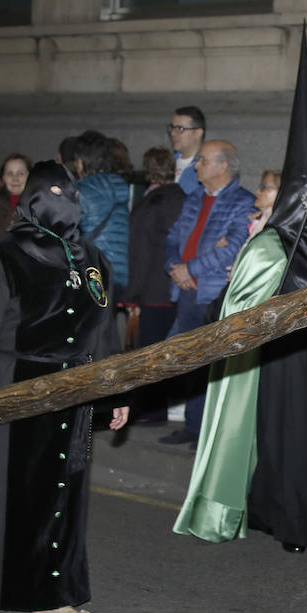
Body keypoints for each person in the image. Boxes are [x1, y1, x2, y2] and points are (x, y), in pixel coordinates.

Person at [175, 32, 307, 550]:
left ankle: (306, 518)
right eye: (300, 196)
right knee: (278, 441)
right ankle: (279, 516)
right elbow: (241, 304)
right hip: (274, 366)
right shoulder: (268, 247)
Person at [0, 161, 129, 613]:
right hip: (15, 385)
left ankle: (54, 586)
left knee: (61, 490)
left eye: (70, 193)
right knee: (14, 493)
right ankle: (28, 590)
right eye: (52, 192)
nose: (63, 201)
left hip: (73, 390)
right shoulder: (7, 255)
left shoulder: (95, 260)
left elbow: (103, 332)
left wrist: (116, 391)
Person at [161, 139, 254, 445]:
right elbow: (173, 236)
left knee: (214, 363)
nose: (196, 165)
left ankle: (211, 433)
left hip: (213, 293)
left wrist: (192, 269)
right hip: (187, 290)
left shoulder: (242, 202)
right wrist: (176, 266)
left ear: (223, 165)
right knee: (190, 359)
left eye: (203, 159)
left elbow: (235, 246)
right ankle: (193, 425)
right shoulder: (194, 197)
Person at [124, 147, 185, 422]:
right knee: (165, 351)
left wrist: (131, 294)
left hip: (151, 289)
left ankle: (151, 410)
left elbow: (140, 253)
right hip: (176, 287)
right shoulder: (186, 199)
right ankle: (160, 407)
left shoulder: (149, 205)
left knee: (149, 351)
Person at [74, 131, 130, 294]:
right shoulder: (119, 185)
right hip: (117, 274)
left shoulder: (82, 190)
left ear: (81, 161)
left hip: (91, 272)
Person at [167, 106, 205, 195]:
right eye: (172, 127)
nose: (172, 133)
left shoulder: (205, 167)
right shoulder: (167, 162)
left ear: (198, 133)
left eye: (180, 129)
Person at [247, 169, 280, 240]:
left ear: (281, 192)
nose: (257, 192)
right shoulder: (257, 219)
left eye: (264, 188)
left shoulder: (279, 229)